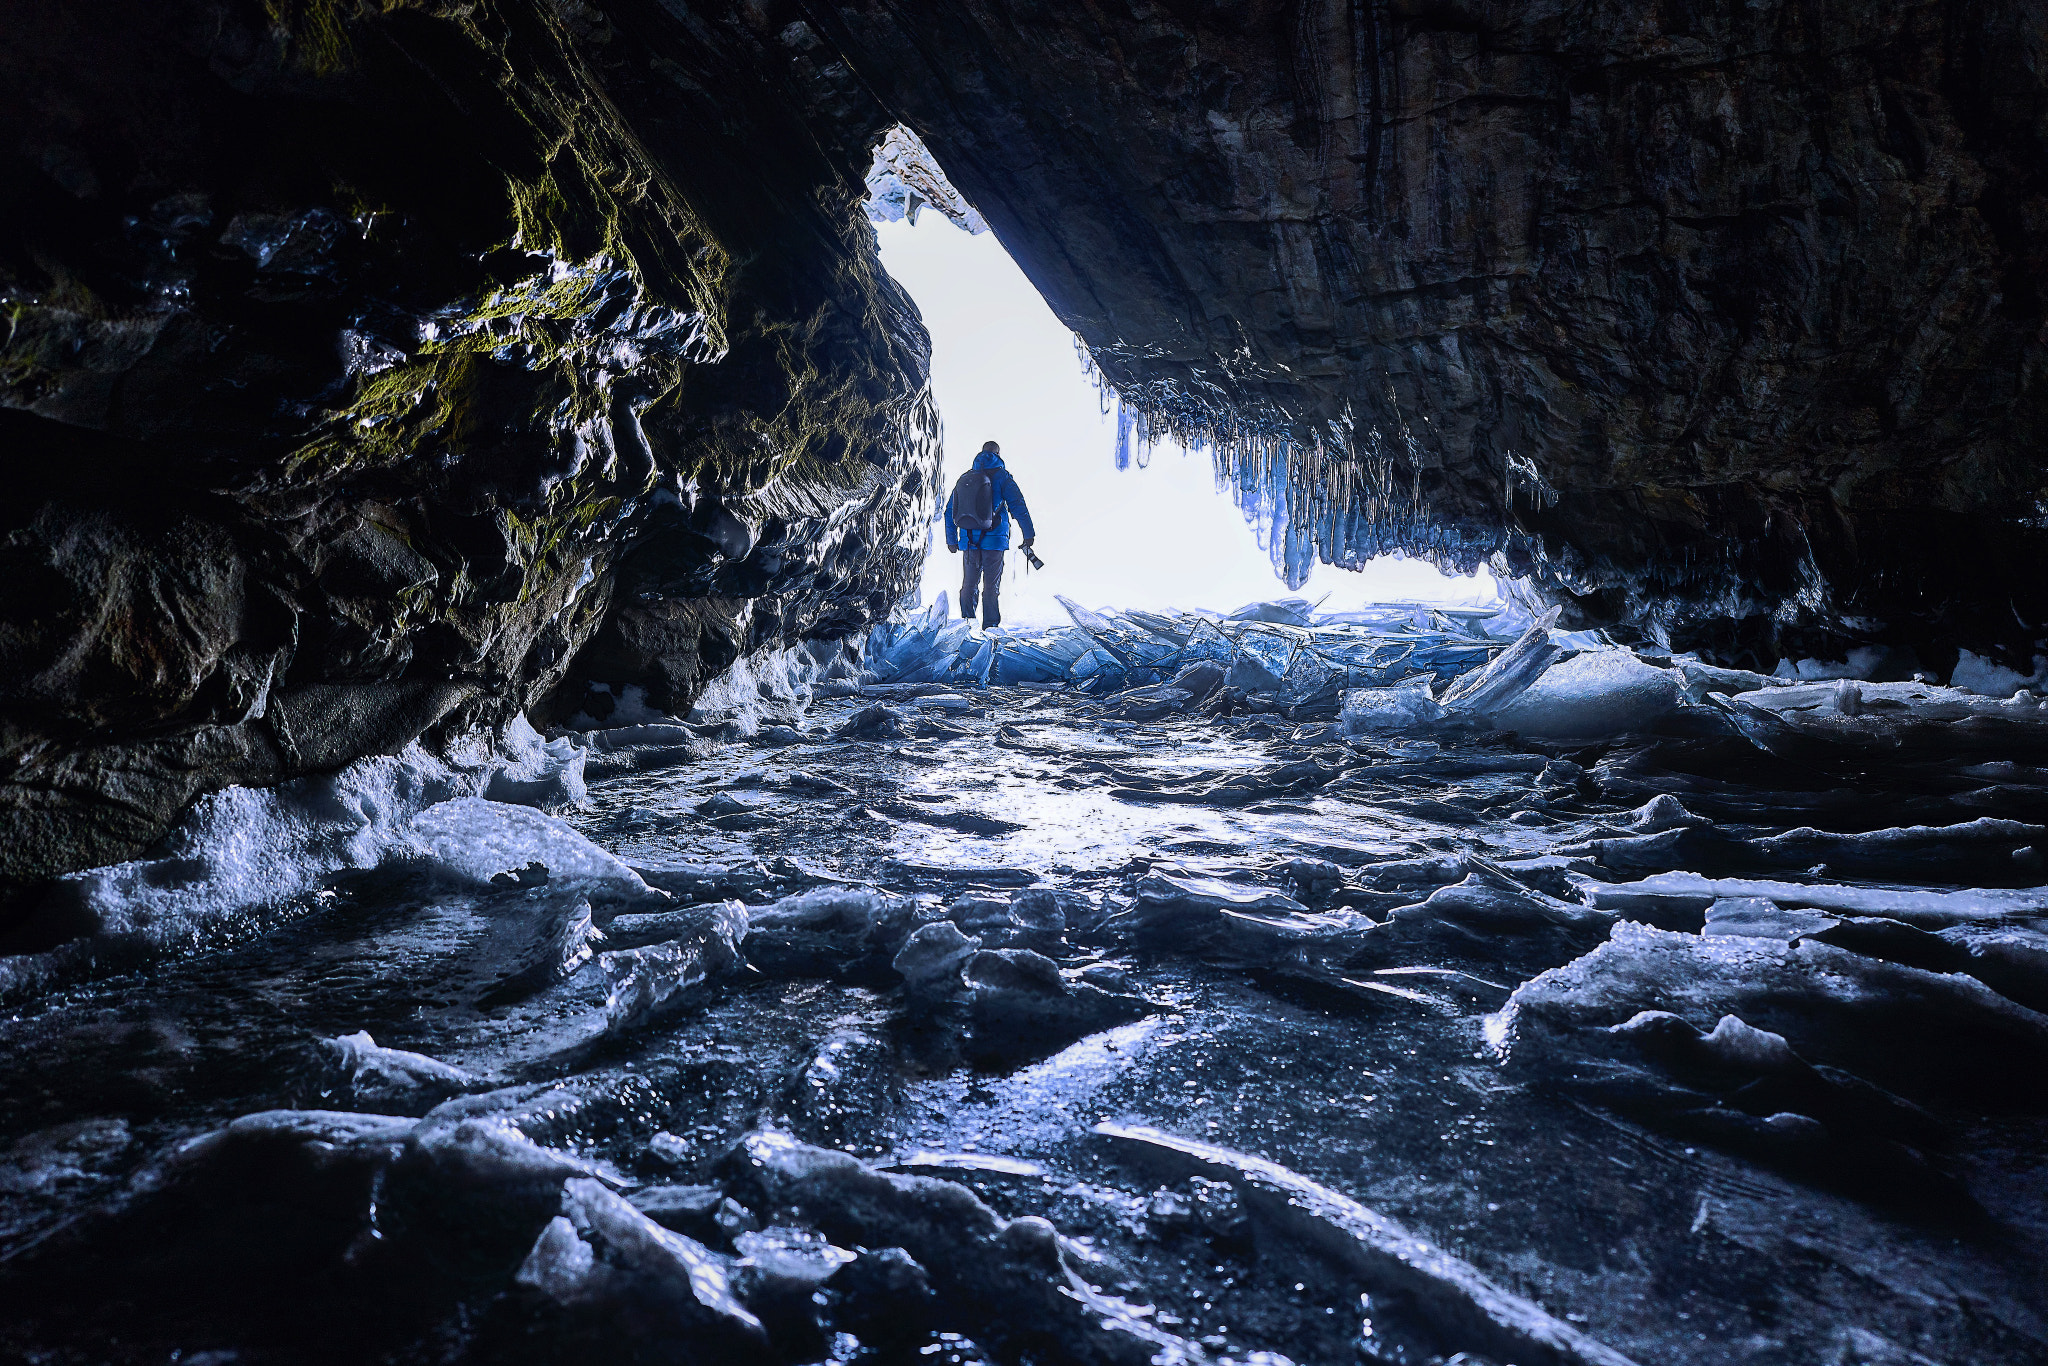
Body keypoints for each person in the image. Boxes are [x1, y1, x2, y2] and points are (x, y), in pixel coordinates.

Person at [944, 440, 1035, 630]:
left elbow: (949, 510)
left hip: (968, 540)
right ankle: (990, 628)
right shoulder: (1003, 477)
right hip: (994, 541)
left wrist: (952, 541)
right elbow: (1018, 506)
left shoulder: (966, 477)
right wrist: (1028, 534)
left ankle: (967, 625)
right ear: (998, 455)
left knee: (969, 585)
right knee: (991, 588)